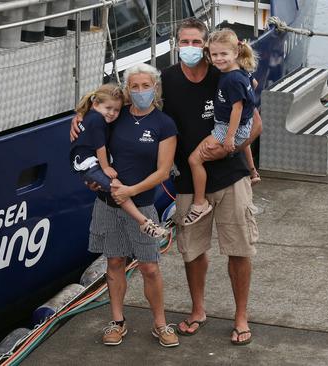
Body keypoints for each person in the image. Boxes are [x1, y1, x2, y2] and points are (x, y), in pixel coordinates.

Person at [161, 18, 260, 346]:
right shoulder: (168, 79)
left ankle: (241, 316)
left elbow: (255, 125)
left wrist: (229, 149)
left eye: (195, 43)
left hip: (230, 176)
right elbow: (131, 101)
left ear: (206, 46)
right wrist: (82, 115)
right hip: (189, 182)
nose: (189, 48)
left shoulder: (226, 73)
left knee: (239, 249)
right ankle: (198, 310)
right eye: (182, 42)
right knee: (193, 252)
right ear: (176, 44)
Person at [73, 64, 179, 347]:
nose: (141, 91)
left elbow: (163, 171)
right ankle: (117, 321)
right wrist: (93, 180)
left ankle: (160, 323)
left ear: (155, 89)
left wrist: (130, 190)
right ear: (127, 90)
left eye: (147, 86)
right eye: (135, 86)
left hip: (141, 204)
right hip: (107, 203)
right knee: (115, 262)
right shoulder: (114, 118)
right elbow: (93, 139)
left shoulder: (164, 124)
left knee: (149, 268)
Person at [182, 28, 259, 226]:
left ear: (236, 53)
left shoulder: (232, 79)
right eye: (214, 54)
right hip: (242, 123)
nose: (218, 59)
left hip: (228, 126)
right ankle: (253, 171)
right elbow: (255, 83)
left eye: (223, 54)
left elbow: (237, 109)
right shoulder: (241, 72)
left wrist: (229, 137)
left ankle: (199, 203)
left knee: (194, 160)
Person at [70, 83, 168, 238]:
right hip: (87, 162)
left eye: (116, 110)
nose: (112, 113)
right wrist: (106, 168)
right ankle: (144, 222)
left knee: (116, 187)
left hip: (87, 160)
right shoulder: (97, 120)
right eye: (108, 108)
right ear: (96, 104)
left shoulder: (93, 115)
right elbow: (100, 147)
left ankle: (144, 223)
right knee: (117, 187)